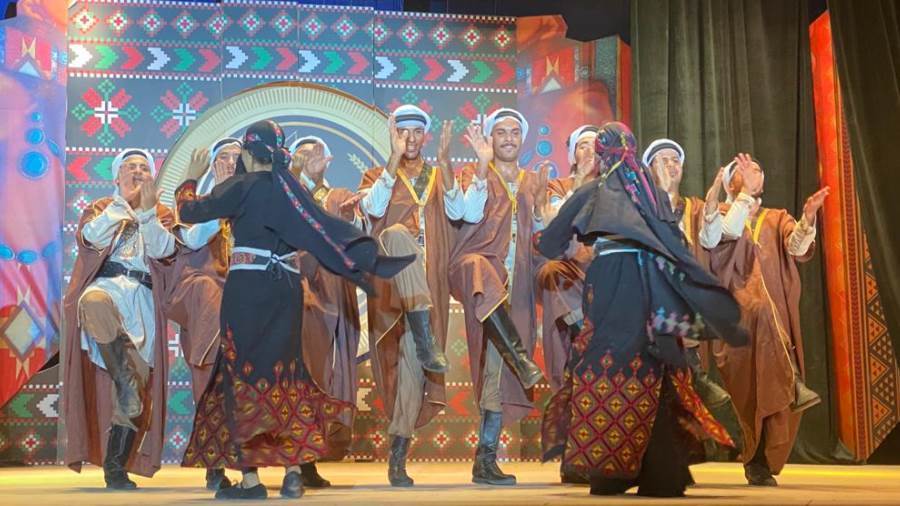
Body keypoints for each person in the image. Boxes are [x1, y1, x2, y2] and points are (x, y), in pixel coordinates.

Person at [177, 120, 414, 500]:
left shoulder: (240, 186)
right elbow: (324, 230)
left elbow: (188, 211)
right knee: (287, 378)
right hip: (286, 291)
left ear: (249, 153)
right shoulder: (292, 190)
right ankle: (291, 474)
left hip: (247, 291)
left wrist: (190, 178)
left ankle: (251, 482)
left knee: (243, 378)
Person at [538, 122, 748, 498]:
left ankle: (612, 472)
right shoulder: (652, 193)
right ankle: (661, 473)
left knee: (606, 369)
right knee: (653, 372)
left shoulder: (594, 190)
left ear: (601, 156)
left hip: (611, 285)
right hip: (653, 289)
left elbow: (550, 244)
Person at [357, 105, 462, 486]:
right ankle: (424, 335)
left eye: (417, 132)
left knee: (413, 366)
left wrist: (447, 163)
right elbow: (372, 208)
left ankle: (398, 453)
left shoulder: (437, 175)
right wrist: (393, 157)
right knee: (396, 233)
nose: (411, 139)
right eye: (403, 132)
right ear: (394, 136)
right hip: (391, 281)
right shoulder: (377, 174)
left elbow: (459, 212)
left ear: (426, 136)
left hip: (427, 286)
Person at [709, 153, 828, 487]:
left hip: (774, 321)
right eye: (743, 169)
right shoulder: (719, 215)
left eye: (757, 169)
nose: (752, 172)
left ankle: (759, 461)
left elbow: (796, 247)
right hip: (736, 321)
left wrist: (807, 220)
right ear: (730, 182)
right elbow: (719, 240)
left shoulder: (776, 218)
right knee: (748, 393)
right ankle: (792, 384)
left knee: (771, 392)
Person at [61, 148, 175, 489]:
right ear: (116, 175)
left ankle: (115, 469)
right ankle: (122, 377)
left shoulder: (162, 212)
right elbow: (91, 238)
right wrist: (121, 203)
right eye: (130, 167)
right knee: (92, 301)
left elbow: (164, 251)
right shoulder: (101, 207)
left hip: (142, 301)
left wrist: (147, 213)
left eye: (143, 167)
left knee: (134, 393)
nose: (137, 171)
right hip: (108, 287)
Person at [450, 107, 545, 486]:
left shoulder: (533, 180)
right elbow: (468, 214)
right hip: (479, 277)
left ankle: (484, 460)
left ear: (522, 139)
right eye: (500, 132)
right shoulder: (475, 174)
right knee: (493, 364)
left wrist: (542, 209)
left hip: (516, 288)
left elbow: (543, 231)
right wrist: (482, 164)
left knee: (499, 370)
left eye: (514, 132)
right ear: (490, 138)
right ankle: (485, 459)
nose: (508, 138)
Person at [160, 137, 242, 491]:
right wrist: (217, 199)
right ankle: (215, 465)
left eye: (238, 157)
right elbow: (192, 239)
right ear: (213, 165)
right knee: (210, 382)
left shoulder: (256, 201)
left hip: (247, 304)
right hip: (209, 307)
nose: (231, 163)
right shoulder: (201, 204)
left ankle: (257, 466)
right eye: (223, 157)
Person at [288, 135, 363, 487]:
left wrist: (347, 219)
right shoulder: (286, 193)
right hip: (297, 289)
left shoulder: (338, 196)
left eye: (316, 154)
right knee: (300, 373)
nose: (309, 158)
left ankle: (308, 458)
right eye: (302, 154)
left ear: (329, 160)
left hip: (331, 291)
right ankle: (295, 458)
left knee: (324, 377)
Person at [641, 138, 732, 409]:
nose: (671, 165)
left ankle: (695, 376)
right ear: (649, 170)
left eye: (675, 160)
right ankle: (697, 375)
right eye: (663, 161)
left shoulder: (695, 207)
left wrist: (712, 207)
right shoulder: (640, 206)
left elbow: (710, 240)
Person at [533, 125, 599, 484]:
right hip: (567, 287)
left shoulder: (612, 190)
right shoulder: (558, 187)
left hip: (603, 280)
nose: (590, 152)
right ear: (573, 154)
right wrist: (580, 186)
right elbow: (554, 226)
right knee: (567, 371)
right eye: (583, 146)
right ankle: (571, 458)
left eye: (596, 146)